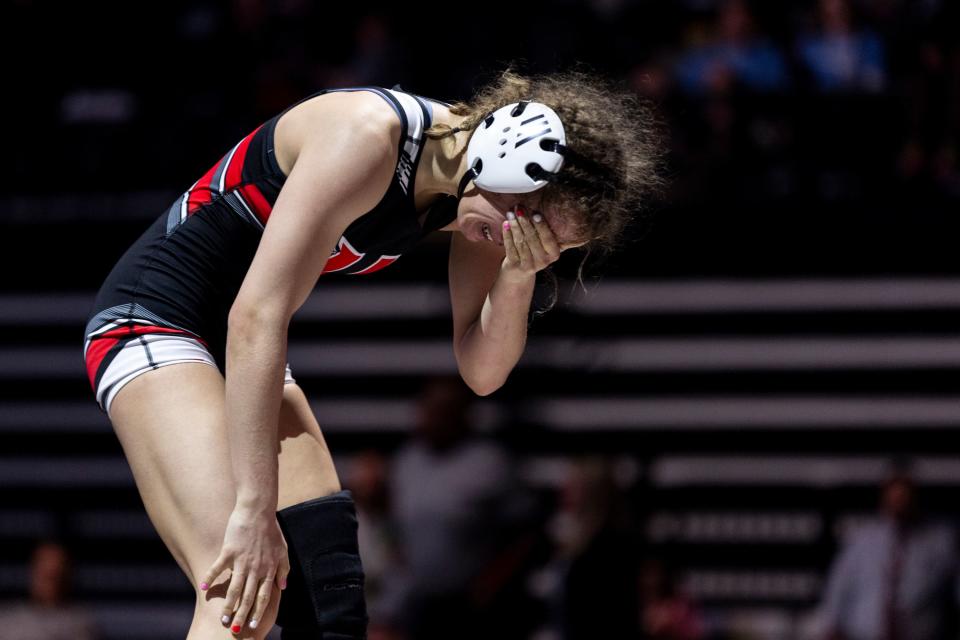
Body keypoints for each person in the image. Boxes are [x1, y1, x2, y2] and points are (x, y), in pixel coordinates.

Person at [81, 66, 663, 638]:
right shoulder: (366, 137)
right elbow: (256, 315)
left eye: (544, 245)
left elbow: (482, 372)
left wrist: (517, 276)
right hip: (154, 318)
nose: (518, 241)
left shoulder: (477, 197)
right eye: (526, 225)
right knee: (240, 594)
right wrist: (255, 509)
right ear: (507, 150)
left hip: (241, 345)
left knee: (328, 603)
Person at [819, 466, 960, 640]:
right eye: (894, 497)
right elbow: (839, 586)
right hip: (865, 634)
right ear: (884, 498)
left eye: (904, 496)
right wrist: (832, 626)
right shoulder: (862, 539)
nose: (899, 502)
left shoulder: (942, 539)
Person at [0, 539, 101, 640]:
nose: (51, 583)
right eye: (46, 575)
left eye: (57, 575)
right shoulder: (7, 623)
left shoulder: (83, 624)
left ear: (69, 576)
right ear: (33, 573)